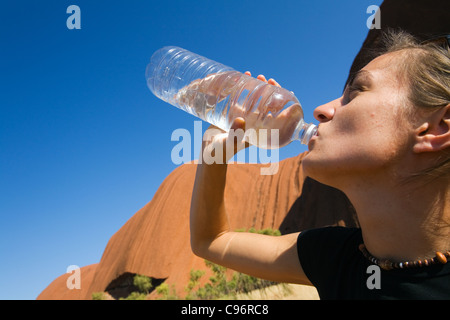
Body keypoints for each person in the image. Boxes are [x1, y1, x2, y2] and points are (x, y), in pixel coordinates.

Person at [189, 30, 450, 299]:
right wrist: (214, 154)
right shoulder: (331, 257)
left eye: (356, 91)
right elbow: (211, 241)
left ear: (437, 127)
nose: (321, 110)